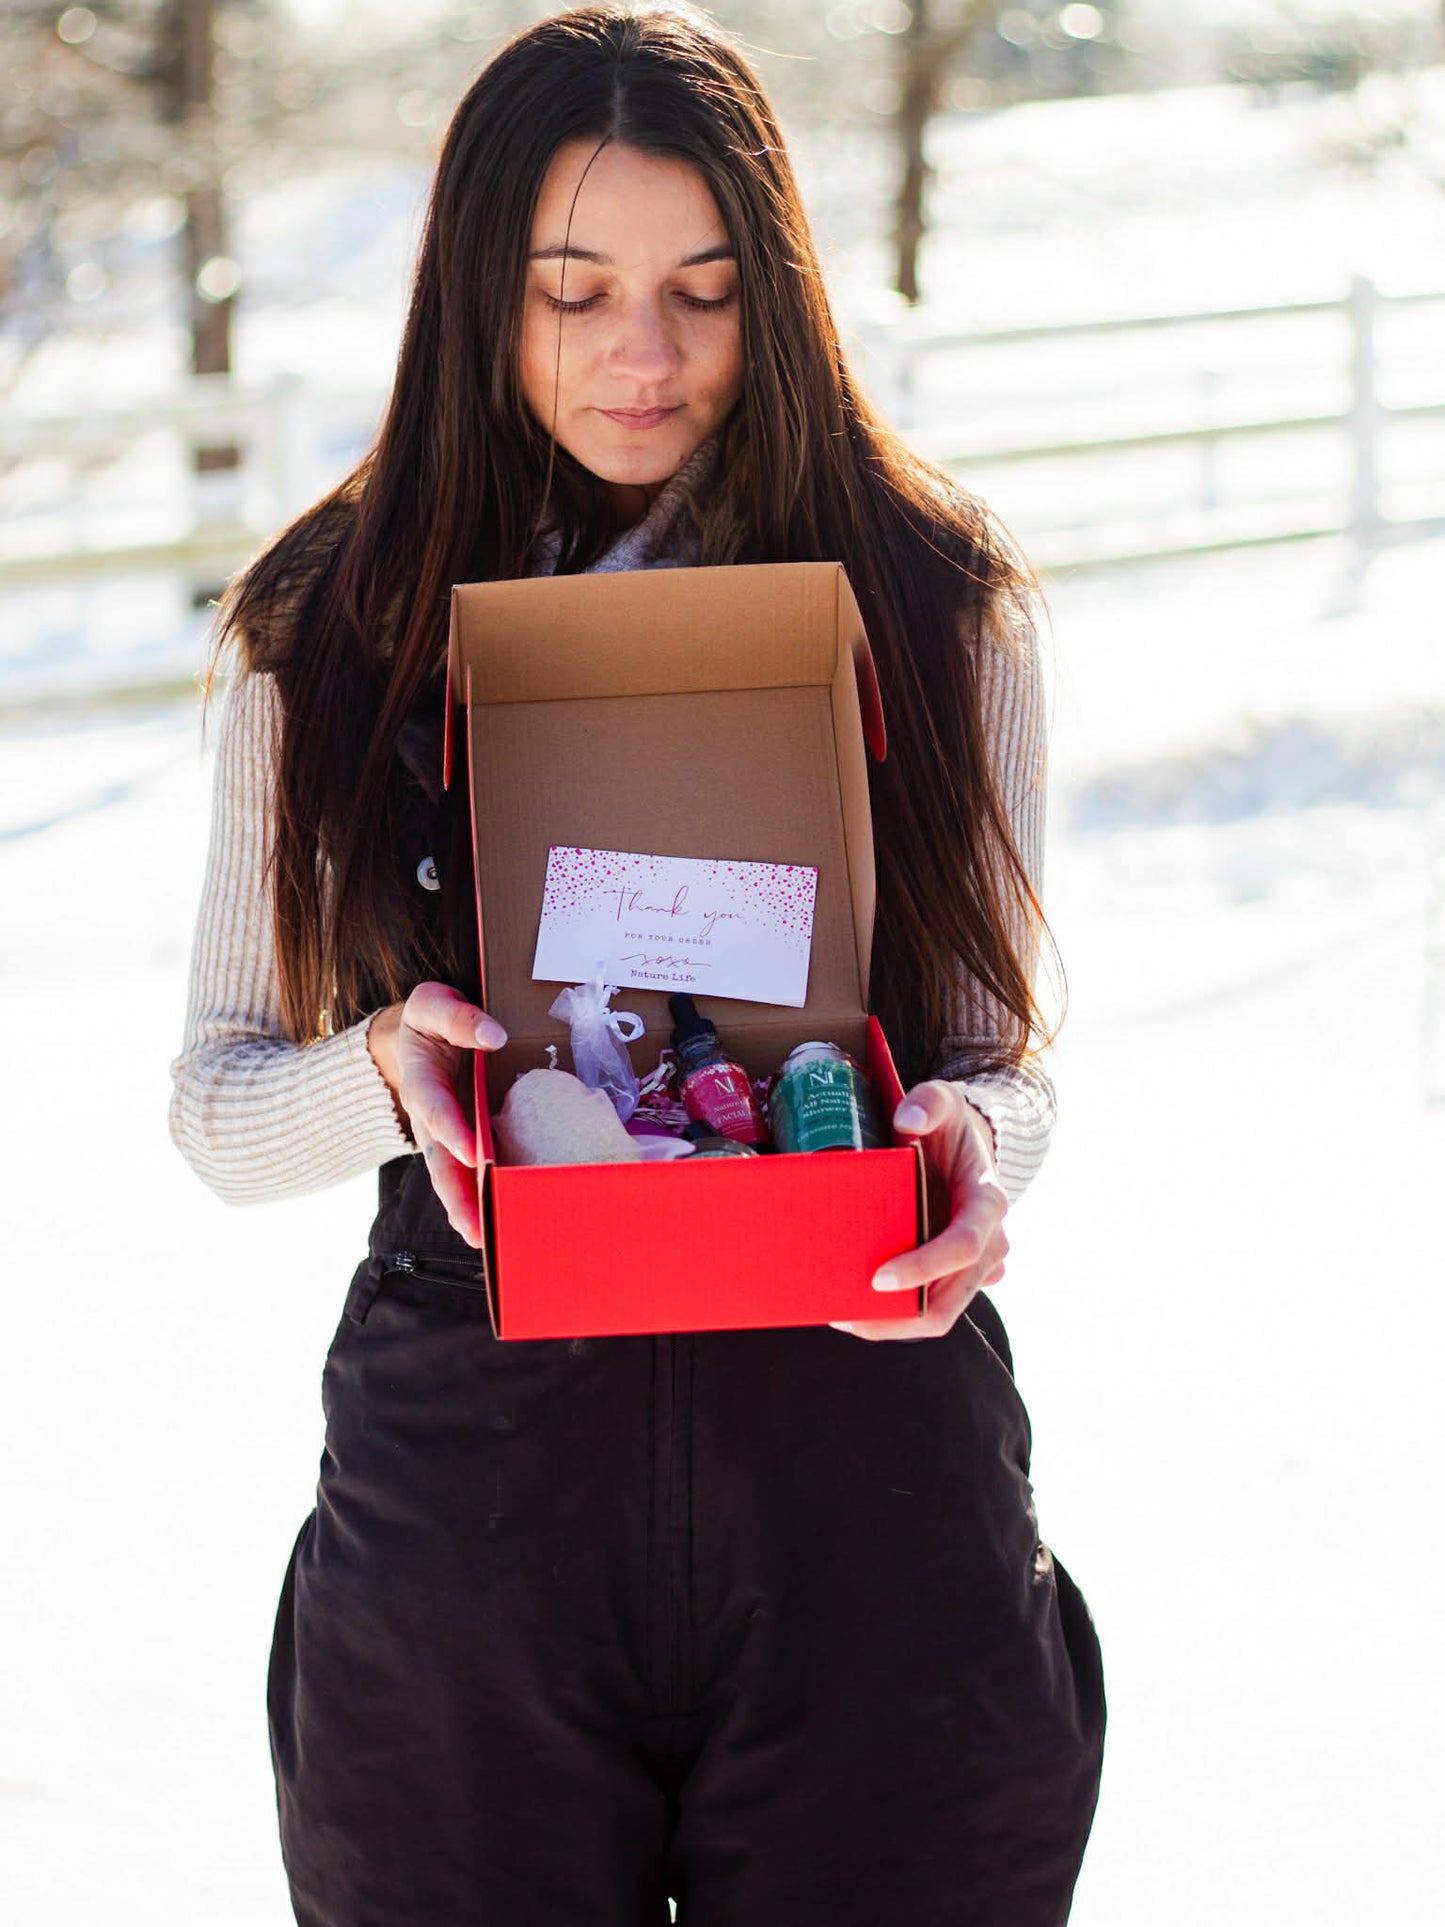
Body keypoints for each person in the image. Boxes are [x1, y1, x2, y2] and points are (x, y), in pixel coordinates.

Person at [169, 6, 1104, 1922]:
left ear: (778, 294)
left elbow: (1009, 1063)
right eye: (572, 290)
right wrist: (381, 1072)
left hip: (864, 1470)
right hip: (480, 1514)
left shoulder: (936, 604)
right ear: (473, 298)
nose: (643, 356)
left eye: (701, 288)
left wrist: (963, 1157)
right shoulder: (320, 635)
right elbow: (215, 1111)